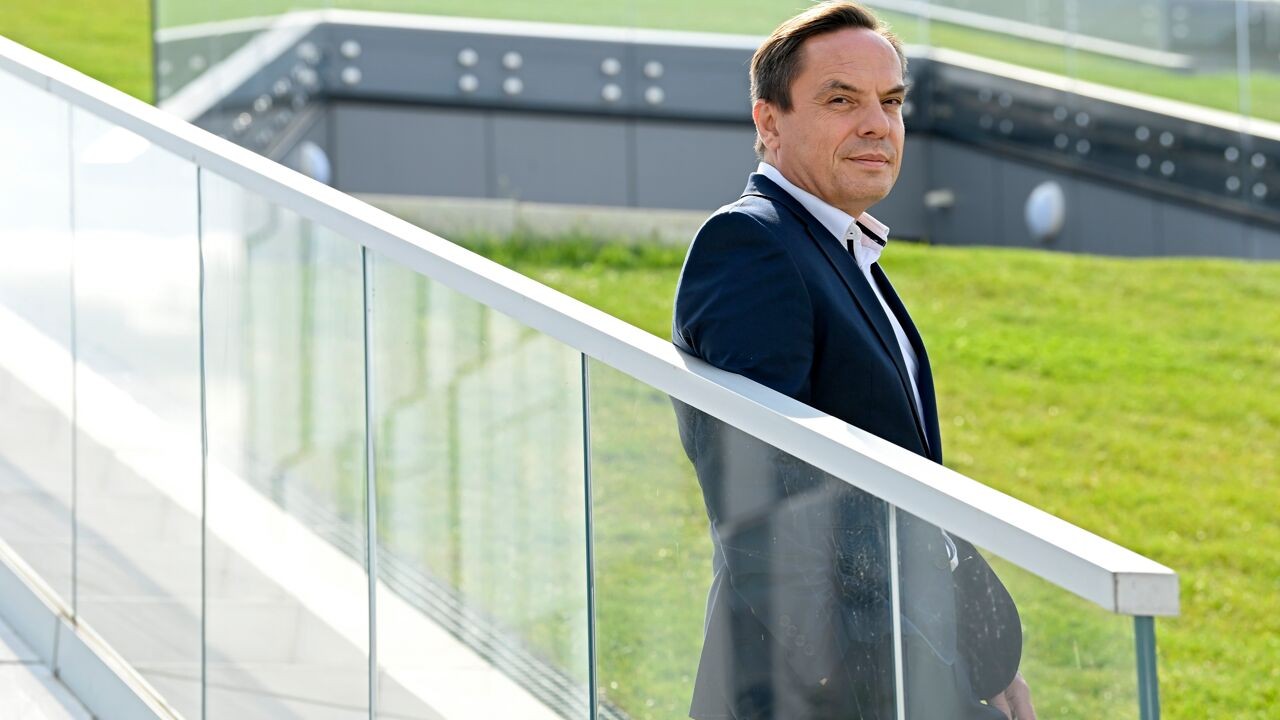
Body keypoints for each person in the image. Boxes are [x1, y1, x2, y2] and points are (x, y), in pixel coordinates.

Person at [671, 3, 1035, 718]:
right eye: (841, 100)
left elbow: (910, 492)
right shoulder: (752, 246)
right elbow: (761, 510)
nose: (877, 124)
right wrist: (877, 688)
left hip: (910, 657)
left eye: (891, 101)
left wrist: (978, 658)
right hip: (830, 690)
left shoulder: (838, 245)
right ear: (769, 122)